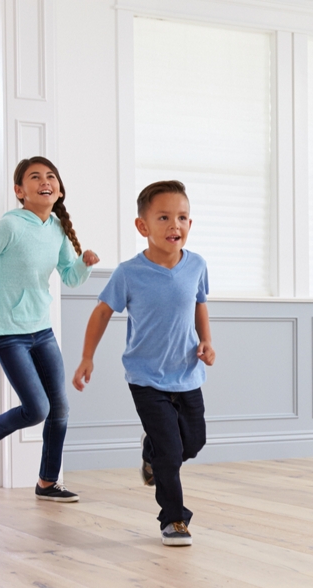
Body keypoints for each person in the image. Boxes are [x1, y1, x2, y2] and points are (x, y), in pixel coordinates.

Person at [72, 180, 215, 546]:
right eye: (164, 217)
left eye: (182, 217)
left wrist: (207, 342)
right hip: (146, 378)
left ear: (190, 224)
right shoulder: (128, 273)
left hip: (187, 374)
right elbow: (102, 313)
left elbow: (199, 304)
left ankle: (150, 452)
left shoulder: (196, 265)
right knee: (171, 452)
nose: (175, 225)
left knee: (192, 443)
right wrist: (87, 357)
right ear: (143, 226)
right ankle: (174, 519)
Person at [0, 157, 99, 500]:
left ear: (59, 189)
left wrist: (84, 264)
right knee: (37, 408)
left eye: (51, 175)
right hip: (7, 331)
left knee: (60, 409)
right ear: (19, 191)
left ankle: (47, 482)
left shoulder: (56, 228)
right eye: (35, 177)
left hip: (42, 328)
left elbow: (69, 276)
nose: (45, 181)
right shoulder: (9, 226)